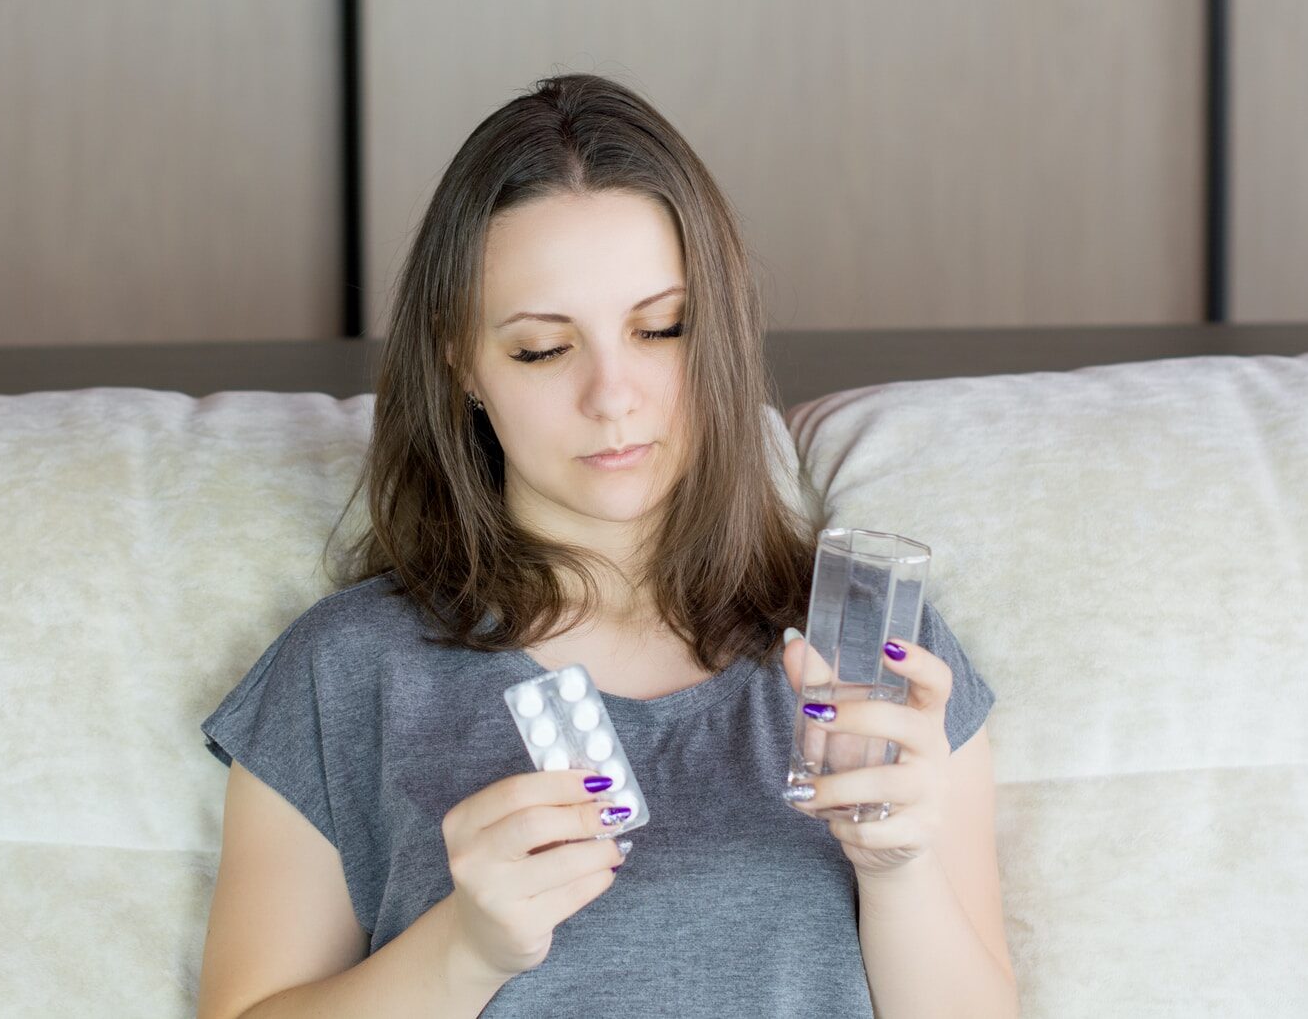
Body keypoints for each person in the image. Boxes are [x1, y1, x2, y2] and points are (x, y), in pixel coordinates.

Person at [195, 73, 1017, 1019]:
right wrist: (466, 950)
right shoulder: (345, 670)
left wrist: (898, 870)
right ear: (458, 356)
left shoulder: (875, 659)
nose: (613, 396)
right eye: (544, 348)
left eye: (660, 329)